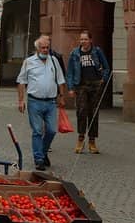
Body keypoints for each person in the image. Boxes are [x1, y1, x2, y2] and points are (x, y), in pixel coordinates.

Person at [16, 35, 67, 171]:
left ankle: (43, 152)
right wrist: (21, 101)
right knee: (37, 131)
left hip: (50, 102)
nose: (45, 50)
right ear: (37, 48)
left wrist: (61, 96)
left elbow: (60, 80)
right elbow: (21, 82)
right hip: (34, 101)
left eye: (47, 48)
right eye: (43, 48)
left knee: (51, 130)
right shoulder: (29, 62)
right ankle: (38, 159)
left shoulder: (54, 61)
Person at [65, 30, 111, 154]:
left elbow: (107, 68)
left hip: (95, 85)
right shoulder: (75, 53)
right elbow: (69, 72)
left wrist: (103, 79)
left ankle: (92, 141)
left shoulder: (97, 51)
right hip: (81, 85)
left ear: (90, 40)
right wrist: (70, 88)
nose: (83, 41)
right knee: (81, 111)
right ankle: (80, 138)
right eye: (81, 39)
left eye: (85, 39)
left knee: (93, 113)